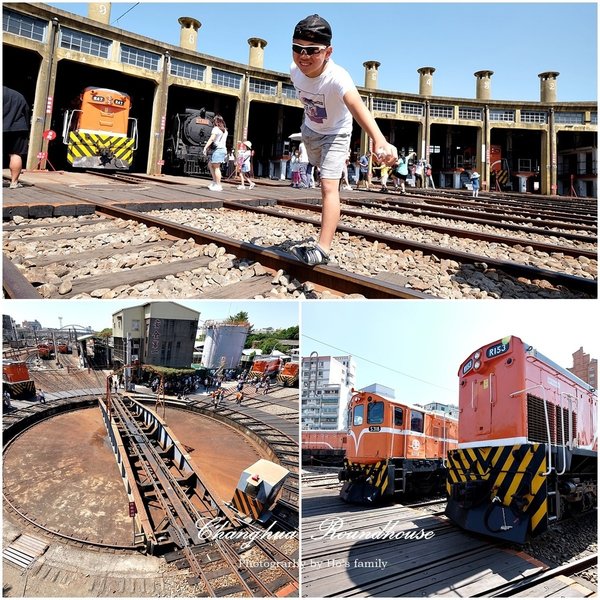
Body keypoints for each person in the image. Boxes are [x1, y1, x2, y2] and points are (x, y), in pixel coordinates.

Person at [289, 14, 397, 265]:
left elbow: (358, 108)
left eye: (311, 51)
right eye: (297, 48)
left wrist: (379, 140)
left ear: (328, 52)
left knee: (328, 185)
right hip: (309, 131)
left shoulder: (339, 78)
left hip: (336, 133)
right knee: (319, 170)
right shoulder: (295, 70)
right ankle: (326, 173)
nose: (303, 56)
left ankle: (321, 250)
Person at [3, 86, 30, 189]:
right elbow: (26, 112)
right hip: (17, 128)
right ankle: (14, 183)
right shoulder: (17, 95)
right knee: (15, 154)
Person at [202, 114, 228, 192]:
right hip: (222, 150)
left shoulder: (216, 129)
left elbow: (212, 139)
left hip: (218, 150)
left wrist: (205, 147)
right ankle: (214, 182)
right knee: (210, 164)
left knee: (216, 167)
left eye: (214, 121)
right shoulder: (225, 130)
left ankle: (218, 185)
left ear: (216, 121)